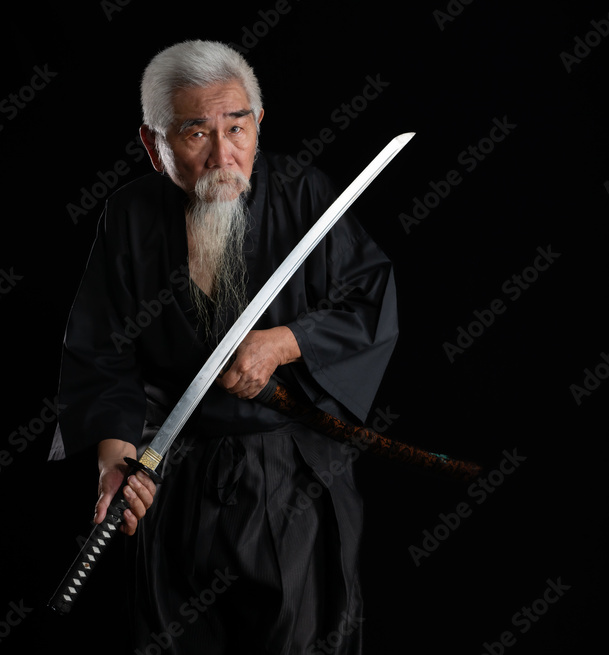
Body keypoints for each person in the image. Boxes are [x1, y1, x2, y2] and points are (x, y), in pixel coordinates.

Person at [52, 39, 398, 654]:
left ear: (258, 124)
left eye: (237, 128)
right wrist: (113, 461)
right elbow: (100, 352)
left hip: (290, 477)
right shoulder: (129, 216)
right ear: (152, 145)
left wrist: (285, 342)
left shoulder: (303, 194)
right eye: (195, 134)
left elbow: (369, 300)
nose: (223, 155)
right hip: (171, 471)